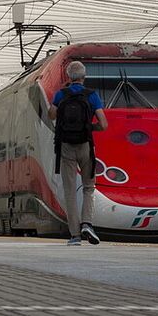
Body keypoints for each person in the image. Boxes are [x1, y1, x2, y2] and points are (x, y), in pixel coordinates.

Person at [47, 60, 108, 246]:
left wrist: (57, 105)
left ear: (68, 77)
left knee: (70, 190)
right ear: (84, 76)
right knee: (89, 187)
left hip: (66, 147)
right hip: (86, 146)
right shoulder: (92, 96)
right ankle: (87, 223)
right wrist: (89, 128)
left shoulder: (60, 95)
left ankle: (75, 235)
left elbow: (51, 115)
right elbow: (104, 125)